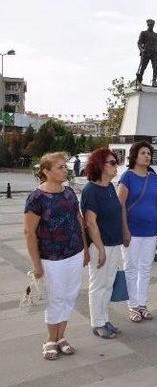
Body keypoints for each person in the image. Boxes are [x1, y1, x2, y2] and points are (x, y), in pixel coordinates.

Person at [24, 152, 88, 360]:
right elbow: (29, 232)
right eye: (60, 167)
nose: (65, 170)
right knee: (56, 298)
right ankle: (50, 339)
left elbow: (79, 220)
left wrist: (85, 248)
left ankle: (61, 336)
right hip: (51, 257)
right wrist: (36, 264)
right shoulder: (36, 198)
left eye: (64, 166)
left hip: (74, 253)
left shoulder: (69, 192)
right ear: (46, 171)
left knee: (69, 296)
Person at [117, 141, 157, 323]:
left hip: (150, 230)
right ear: (134, 156)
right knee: (131, 268)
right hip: (132, 231)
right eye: (143, 153)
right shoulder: (127, 177)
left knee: (145, 268)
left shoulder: (153, 177)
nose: (147, 156)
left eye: (149, 153)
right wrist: (125, 230)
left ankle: (142, 304)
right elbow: (120, 205)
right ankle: (132, 306)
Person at [82, 148, 123, 339]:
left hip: (114, 243)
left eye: (116, 162)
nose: (116, 166)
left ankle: (104, 318)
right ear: (100, 165)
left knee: (108, 284)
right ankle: (97, 323)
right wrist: (99, 249)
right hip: (101, 245)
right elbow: (90, 222)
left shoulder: (110, 187)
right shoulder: (91, 190)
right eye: (112, 163)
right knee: (98, 285)